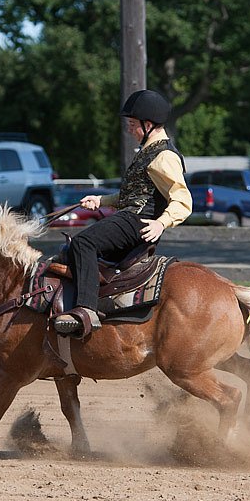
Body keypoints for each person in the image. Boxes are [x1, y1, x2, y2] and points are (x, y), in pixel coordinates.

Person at [53, 89, 193, 337]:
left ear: (147, 125)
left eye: (132, 124)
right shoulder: (150, 151)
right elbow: (134, 194)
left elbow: (182, 199)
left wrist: (162, 223)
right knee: (71, 250)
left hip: (137, 222)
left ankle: (86, 309)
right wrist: (101, 200)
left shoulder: (164, 157)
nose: (129, 130)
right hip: (130, 217)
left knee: (83, 243)